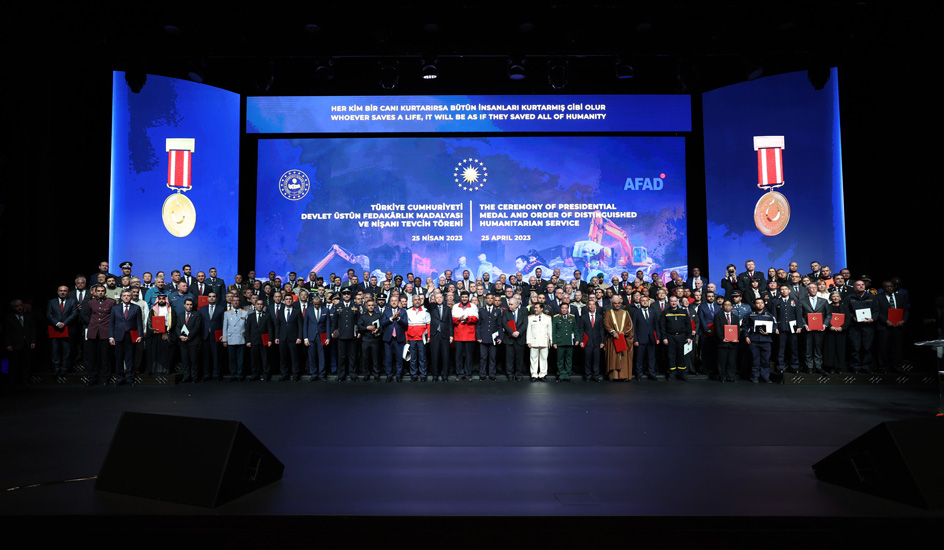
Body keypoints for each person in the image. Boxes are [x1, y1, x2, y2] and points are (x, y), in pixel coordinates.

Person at [83, 284, 116, 386]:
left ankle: (106, 378)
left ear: (105, 292)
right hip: (93, 331)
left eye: (102, 291)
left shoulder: (111, 302)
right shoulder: (90, 302)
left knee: (105, 356)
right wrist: (92, 323)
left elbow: (113, 316)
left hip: (105, 331)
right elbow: (88, 314)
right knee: (92, 356)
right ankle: (92, 378)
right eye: (98, 291)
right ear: (95, 292)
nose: (100, 292)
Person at [108, 289, 143, 385]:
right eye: (124, 295)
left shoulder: (136, 308)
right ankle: (119, 379)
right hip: (118, 335)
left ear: (131, 297)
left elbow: (139, 323)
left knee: (130, 358)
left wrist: (140, 335)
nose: (126, 297)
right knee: (119, 358)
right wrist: (111, 336)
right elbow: (111, 323)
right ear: (121, 297)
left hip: (131, 335)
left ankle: (130, 378)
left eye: (128, 295)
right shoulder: (115, 308)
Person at [843, 280, 878, 373]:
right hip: (854, 327)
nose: (861, 286)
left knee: (867, 347)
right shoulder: (849, 298)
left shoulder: (872, 297)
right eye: (858, 285)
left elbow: (876, 310)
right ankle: (855, 367)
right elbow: (845, 311)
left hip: (868, 326)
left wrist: (873, 318)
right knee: (855, 347)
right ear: (854, 288)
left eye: (862, 285)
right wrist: (852, 317)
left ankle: (866, 366)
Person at [875, 279, 908, 373]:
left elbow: (905, 310)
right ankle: (883, 367)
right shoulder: (878, 297)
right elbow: (877, 311)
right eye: (887, 287)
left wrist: (904, 320)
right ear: (883, 288)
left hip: (898, 326)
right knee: (883, 347)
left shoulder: (900, 297)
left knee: (897, 347)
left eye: (891, 286)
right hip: (884, 326)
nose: (889, 288)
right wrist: (885, 320)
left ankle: (897, 366)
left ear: (894, 287)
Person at [658, 295, 692, 381]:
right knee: (671, 356)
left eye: (675, 301)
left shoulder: (683, 312)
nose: (673, 303)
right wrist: (664, 337)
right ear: (669, 302)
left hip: (682, 337)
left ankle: (682, 374)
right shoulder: (665, 312)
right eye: (672, 301)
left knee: (681, 355)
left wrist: (689, 336)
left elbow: (688, 325)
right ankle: (671, 373)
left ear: (677, 302)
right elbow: (662, 326)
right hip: (670, 337)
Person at [772, 285, 804, 373]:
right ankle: (780, 367)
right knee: (780, 349)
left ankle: (794, 367)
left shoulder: (794, 301)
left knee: (794, 348)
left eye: (785, 289)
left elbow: (798, 315)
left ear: (789, 291)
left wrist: (800, 326)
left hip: (793, 328)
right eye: (782, 289)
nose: (784, 291)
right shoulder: (776, 302)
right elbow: (774, 316)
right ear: (779, 291)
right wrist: (775, 328)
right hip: (781, 328)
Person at [743, 298, 776, 383]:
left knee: (765, 359)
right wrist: (746, 336)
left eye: (761, 303)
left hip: (766, 340)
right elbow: (745, 327)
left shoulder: (769, 315)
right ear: (754, 305)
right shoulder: (750, 315)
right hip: (754, 340)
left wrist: (769, 332)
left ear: (764, 304)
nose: (760, 304)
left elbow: (775, 327)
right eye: (757, 303)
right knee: (755, 359)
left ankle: (765, 376)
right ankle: (755, 376)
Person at [47, 286, 78, 376]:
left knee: (67, 350)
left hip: (67, 329)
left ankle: (65, 368)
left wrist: (64, 323)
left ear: (68, 292)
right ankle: (56, 368)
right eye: (61, 291)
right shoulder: (51, 302)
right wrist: (57, 323)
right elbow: (49, 314)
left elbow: (74, 313)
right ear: (57, 292)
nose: (62, 292)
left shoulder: (72, 301)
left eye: (64, 291)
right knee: (55, 350)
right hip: (55, 329)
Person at [798, 284, 828, 374]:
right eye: (811, 288)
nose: (813, 289)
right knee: (808, 349)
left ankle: (818, 367)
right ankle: (809, 367)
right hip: (808, 329)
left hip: (820, 329)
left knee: (818, 348)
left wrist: (825, 325)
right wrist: (804, 325)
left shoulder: (824, 301)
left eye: (815, 288)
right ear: (807, 290)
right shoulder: (802, 301)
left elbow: (829, 314)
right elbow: (800, 314)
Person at [603, 295, 635, 381]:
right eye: (615, 303)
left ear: (621, 303)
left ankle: (623, 376)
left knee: (623, 357)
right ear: (612, 304)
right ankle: (613, 376)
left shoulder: (625, 313)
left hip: (623, 338)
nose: (617, 305)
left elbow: (630, 325)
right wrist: (613, 332)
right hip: (612, 339)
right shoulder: (608, 313)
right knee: (613, 357)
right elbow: (606, 324)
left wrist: (624, 333)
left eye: (618, 303)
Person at [4, 299, 36, 385]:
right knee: (14, 363)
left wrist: (33, 341)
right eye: (17, 306)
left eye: (21, 305)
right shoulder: (9, 318)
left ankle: (25, 379)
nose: (19, 308)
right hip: (15, 343)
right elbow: (7, 332)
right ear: (13, 307)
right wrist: (8, 344)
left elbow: (32, 329)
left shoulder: (28, 316)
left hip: (26, 342)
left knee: (26, 363)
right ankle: (12, 381)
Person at [273, 293, 303, 381]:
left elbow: (300, 325)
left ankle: (295, 374)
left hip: (294, 338)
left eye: (290, 299)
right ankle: (284, 374)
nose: (289, 301)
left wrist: (299, 337)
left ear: (292, 301)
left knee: (294, 357)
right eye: (287, 299)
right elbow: (277, 325)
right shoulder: (280, 310)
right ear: (284, 300)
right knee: (283, 357)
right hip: (282, 338)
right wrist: (276, 337)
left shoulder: (297, 310)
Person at [303, 295, 332, 381]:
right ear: (312, 303)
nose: (316, 306)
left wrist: (328, 337)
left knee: (322, 356)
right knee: (312, 356)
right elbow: (305, 325)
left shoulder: (325, 310)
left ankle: (322, 375)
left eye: (318, 304)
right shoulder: (308, 310)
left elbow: (328, 325)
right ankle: (313, 374)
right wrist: (305, 338)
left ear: (321, 303)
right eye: (315, 304)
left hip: (322, 336)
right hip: (311, 336)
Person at [452, 290, 479, 381]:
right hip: (458, 334)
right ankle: (459, 373)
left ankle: (468, 374)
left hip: (469, 334)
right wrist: (459, 319)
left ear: (468, 298)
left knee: (469, 356)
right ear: (461, 297)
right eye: (463, 297)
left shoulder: (473, 306)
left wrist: (468, 318)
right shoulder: (455, 306)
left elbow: (476, 318)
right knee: (458, 356)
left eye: (466, 297)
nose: (464, 298)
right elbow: (452, 318)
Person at [631, 296, 659, 381]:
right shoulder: (636, 312)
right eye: (642, 301)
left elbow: (656, 326)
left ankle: (652, 373)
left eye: (646, 301)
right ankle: (639, 374)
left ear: (649, 302)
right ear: (640, 302)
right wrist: (635, 340)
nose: (645, 302)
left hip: (651, 339)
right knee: (639, 359)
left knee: (651, 358)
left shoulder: (653, 312)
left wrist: (658, 337)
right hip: (640, 339)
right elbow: (634, 328)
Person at [381, 292, 407, 382]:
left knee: (399, 358)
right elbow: (383, 323)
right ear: (390, 302)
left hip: (399, 338)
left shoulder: (403, 311)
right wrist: (392, 318)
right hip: (388, 338)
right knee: (388, 358)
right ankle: (389, 375)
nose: (394, 302)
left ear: (398, 302)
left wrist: (398, 318)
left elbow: (406, 324)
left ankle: (398, 375)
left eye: (395, 300)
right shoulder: (386, 311)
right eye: (392, 301)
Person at [175, 298, 203, 383]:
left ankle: (194, 377)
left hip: (193, 341)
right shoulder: (180, 315)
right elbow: (177, 327)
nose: (189, 306)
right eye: (187, 304)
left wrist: (189, 337)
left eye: (191, 304)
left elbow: (197, 327)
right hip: (182, 342)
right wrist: (180, 336)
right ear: (184, 305)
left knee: (194, 360)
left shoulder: (197, 315)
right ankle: (186, 377)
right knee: (185, 361)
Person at [221, 295, 249, 381]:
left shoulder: (245, 312)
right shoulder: (227, 313)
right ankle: (233, 373)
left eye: (237, 300)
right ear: (231, 302)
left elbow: (247, 327)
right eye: (234, 301)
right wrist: (224, 340)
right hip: (231, 338)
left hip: (241, 337)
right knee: (232, 358)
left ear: (240, 302)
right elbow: (225, 327)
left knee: (241, 359)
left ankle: (240, 374)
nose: (236, 302)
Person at [476, 294, 503, 381]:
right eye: (488, 298)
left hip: (493, 338)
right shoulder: (481, 310)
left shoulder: (497, 311)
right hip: (483, 338)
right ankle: (482, 375)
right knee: (483, 358)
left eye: (492, 298)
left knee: (492, 358)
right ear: (485, 300)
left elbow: (499, 326)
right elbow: (478, 325)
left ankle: (492, 375)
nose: (490, 300)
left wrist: (500, 337)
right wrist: (478, 337)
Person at [200, 292, 226, 381]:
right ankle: (206, 374)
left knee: (216, 356)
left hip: (216, 336)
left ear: (216, 298)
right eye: (210, 296)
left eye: (213, 296)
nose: (211, 298)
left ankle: (216, 374)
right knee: (205, 356)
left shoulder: (221, 309)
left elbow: (224, 323)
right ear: (207, 298)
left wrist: (223, 335)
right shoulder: (202, 309)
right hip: (205, 336)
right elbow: (201, 324)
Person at [502, 297, 528, 382]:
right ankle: (510, 374)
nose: (509, 306)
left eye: (511, 304)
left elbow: (525, 323)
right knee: (509, 358)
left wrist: (519, 332)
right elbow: (504, 323)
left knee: (519, 358)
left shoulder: (523, 311)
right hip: (509, 338)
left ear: (517, 305)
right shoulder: (506, 312)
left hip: (520, 338)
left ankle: (519, 374)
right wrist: (512, 332)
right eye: (509, 304)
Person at [714, 299, 740, 382]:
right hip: (722, 342)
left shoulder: (735, 317)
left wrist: (736, 338)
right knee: (722, 361)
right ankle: (722, 376)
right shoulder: (718, 316)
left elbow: (738, 330)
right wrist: (722, 338)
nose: (727, 306)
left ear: (732, 307)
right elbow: (717, 329)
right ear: (722, 306)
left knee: (732, 361)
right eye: (725, 305)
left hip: (733, 343)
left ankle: (731, 376)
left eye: (729, 305)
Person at [405, 294, 430, 381]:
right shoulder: (408, 311)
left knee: (422, 358)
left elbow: (428, 325)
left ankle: (423, 375)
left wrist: (429, 336)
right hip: (411, 338)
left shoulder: (425, 311)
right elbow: (406, 325)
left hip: (421, 338)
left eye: (418, 299)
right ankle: (414, 375)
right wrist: (406, 336)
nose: (417, 301)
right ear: (412, 301)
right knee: (413, 358)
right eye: (415, 300)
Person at [246, 298, 273, 381]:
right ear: (255, 305)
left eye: (261, 304)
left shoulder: (267, 315)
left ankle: (266, 374)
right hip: (253, 341)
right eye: (258, 304)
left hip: (264, 341)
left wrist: (270, 340)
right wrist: (248, 341)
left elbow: (270, 329)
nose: (259, 306)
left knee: (265, 359)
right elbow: (247, 329)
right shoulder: (250, 316)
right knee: (254, 359)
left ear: (263, 306)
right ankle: (255, 374)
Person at [551, 302, 578, 382]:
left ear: (568, 309)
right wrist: (554, 342)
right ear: (560, 309)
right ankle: (561, 375)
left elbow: (575, 329)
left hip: (569, 341)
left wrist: (577, 339)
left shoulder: (572, 317)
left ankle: (567, 374)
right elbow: (554, 331)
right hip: (560, 342)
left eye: (566, 308)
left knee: (569, 359)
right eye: (563, 308)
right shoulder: (556, 317)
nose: (564, 310)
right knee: (560, 360)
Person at [357, 299, 383, 382]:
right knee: (365, 358)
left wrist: (378, 330)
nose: (371, 307)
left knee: (376, 358)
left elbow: (382, 326)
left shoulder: (378, 315)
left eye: (372, 305)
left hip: (375, 339)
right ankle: (366, 374)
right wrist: (367, 328)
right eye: (369, 305)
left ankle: (376, 374)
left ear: (374, 306)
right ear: (366, 306)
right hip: (365, 339)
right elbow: (359, 326)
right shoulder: (363, 316)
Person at [526, 303, 552, 381]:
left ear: (541, 309)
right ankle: (534, 374)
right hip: (534, 341)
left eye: (537, 308)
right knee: (533, 359)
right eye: (535, 308)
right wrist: (528, 341)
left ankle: (542, 374)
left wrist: (551, 340)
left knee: (544, 358)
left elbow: (549, 330)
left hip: (544, 341)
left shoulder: (548, 318)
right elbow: (529, 330)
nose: (535, 309)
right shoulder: (530, 318)